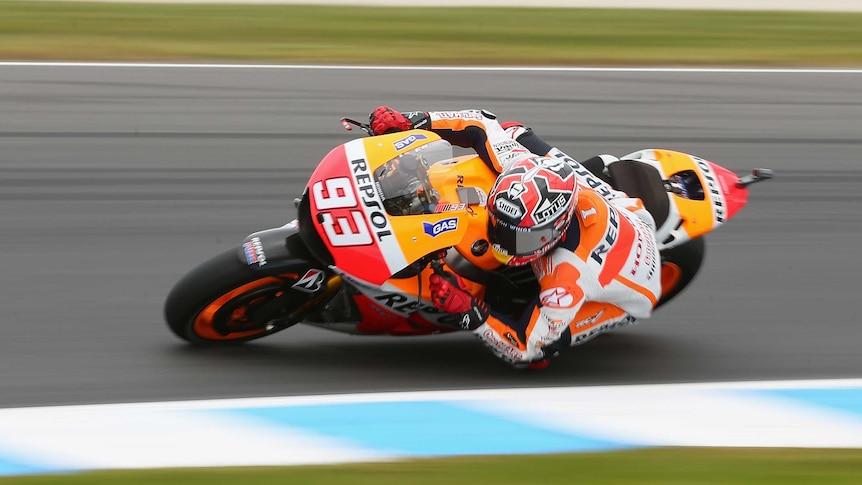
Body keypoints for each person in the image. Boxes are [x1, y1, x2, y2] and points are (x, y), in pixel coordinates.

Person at [369, 106, 662, 367]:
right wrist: (415, 121)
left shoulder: (567, 281)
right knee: (512, 131)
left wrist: (471, 313)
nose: (500, 244)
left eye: (517, 240)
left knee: (538, 355)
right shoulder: (520, 168)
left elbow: (524, 347)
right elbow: (481, 123)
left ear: (553, 231)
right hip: (621, 207)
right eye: (499, 227)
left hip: (630, 286)